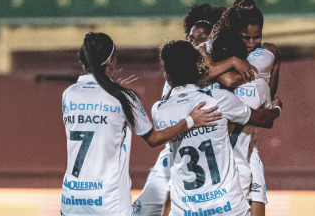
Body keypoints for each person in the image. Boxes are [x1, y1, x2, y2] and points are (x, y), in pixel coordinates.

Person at [60, 32, 222, 216]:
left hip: (71, 200)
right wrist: (190, 120)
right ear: (110, 61)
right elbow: (153, 139)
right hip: (109, 204)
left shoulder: (69, 94)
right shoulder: (123, 98)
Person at [133, 4, 257, 216]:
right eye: (191, 39)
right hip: (176, 155)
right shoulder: (178, 72)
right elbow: (198, 76)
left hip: (222, 158)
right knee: (142, 210)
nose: (196, 44)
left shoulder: (228, 68)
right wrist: (232, 61)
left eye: (202, 38)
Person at [155, 40, 282, 216]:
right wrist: (277, 108)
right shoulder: (218, 99)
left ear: (168, 76)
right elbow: (264, 119)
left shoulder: (160, 110)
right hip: (229, 206)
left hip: (187, 210)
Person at [207, 0, 281, 216]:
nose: (251, 43)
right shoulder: (215, 48)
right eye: (245, 38)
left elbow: (264, 92)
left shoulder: (262, 55)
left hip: (248, 146)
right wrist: (230, 61)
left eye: (256, 37)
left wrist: (276, 63)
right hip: (220, 151)